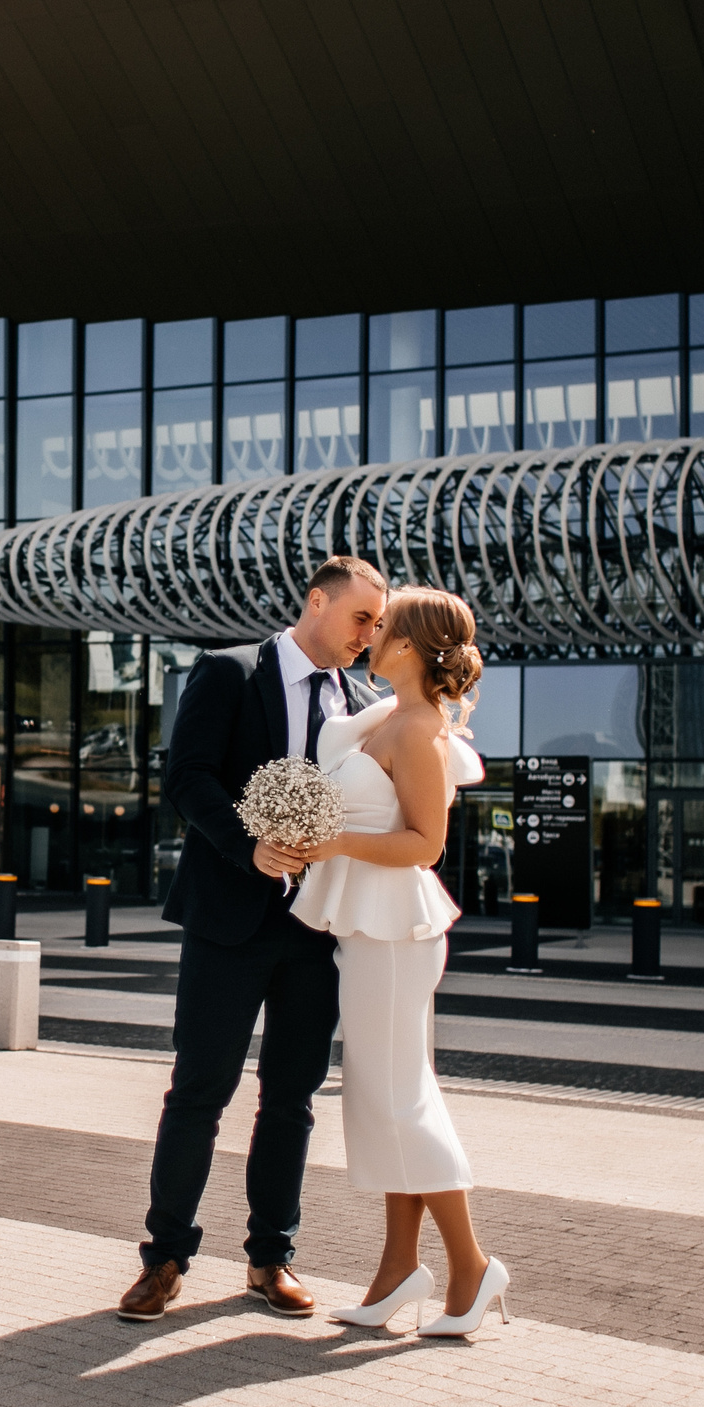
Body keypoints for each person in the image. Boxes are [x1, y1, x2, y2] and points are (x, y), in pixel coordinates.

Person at [117, 555, 389, 1322]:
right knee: (199, 1090)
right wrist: (251, 843)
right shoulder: (230, 671)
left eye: (377, 624)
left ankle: (272, 1258)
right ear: (317, 601)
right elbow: (187, 775)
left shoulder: (364, 702)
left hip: (315, 928)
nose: (369, 637)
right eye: (360, 619)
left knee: (292, 1099)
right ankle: (164, 1257)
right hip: (228, 920)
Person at [287, 586, 511, 1337]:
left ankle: (472, 1268)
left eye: (383, 628)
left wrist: (335, 841)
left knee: (401, 1101)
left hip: (394, 931)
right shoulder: (390, 717)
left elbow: (426, 846)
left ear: (409, 647)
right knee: (383, 1099)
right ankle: (397, 1270)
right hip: (372, 933)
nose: (371, 635)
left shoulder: (418, 731)